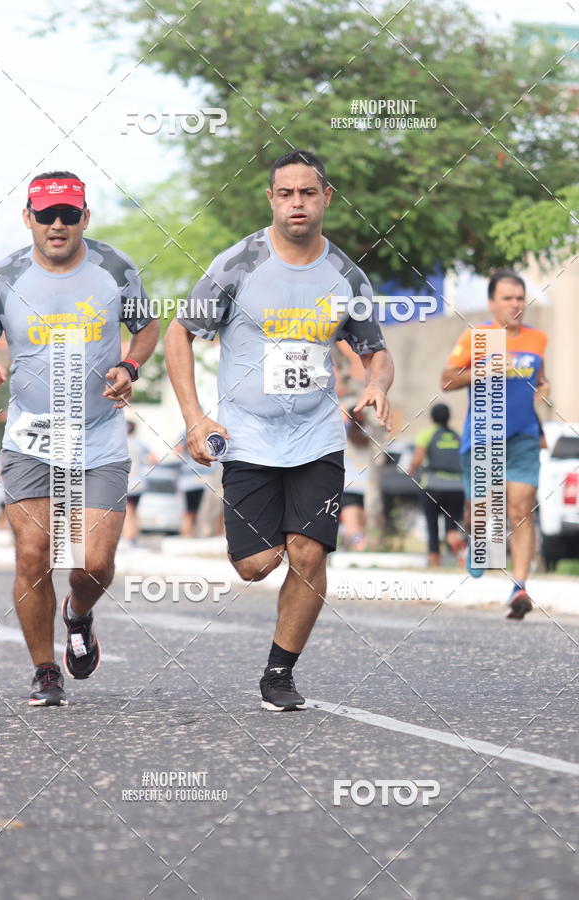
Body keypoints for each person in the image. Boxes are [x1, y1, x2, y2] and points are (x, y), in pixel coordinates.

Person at [165, 149, 394, 711]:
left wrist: (376, 383)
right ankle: (267, 571)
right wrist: (195, 417)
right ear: (271, 198)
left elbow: (375, 349)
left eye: (308, 193)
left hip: (317, 437)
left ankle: (279, 673)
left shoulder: (346, 275)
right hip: (247, 436)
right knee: (256, 565)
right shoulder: (238, 264)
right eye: (286, 193)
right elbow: (179, 332)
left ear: (326, 198)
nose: (297, 203)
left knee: (309, 554)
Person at [0, 171, 158, 705]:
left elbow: (146, 327)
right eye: (46, 215)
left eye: (68, 214)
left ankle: (78, 614)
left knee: (92, 563)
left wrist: (130, 365)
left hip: (98, 436)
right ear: (28, 217)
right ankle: (44, 670)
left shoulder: (115, 268)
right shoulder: (2, 277)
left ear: (85, 217)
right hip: (31, 437)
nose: (57, 225)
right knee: (34, 556)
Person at [441, 270, 548, 619]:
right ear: (491, 303)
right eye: (507, 298)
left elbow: (539, 379)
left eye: (520, 298)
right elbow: (446, 381)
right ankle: (475, 538)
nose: (515, 304)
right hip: (482, 437)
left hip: (523, 437)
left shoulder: (537, 339)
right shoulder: (476, 337)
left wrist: (543, 391)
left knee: (521, 510)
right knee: (481, 513)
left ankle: (520, 587)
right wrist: (483, 371)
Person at [407, 403, 465, 567]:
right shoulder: (457, 436)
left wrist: (410, 471)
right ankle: (459, 556)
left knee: (432, 525)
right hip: (456, 487)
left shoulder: (427, 434)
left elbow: (418, 459)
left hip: (433, 487)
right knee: (452, 527)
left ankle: (435, 562)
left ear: (432, 417)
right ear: (449, 417)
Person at [341, 406, 371, 551]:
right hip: (360, 488)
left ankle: (357, 548)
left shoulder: (343, 434)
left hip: (348, 487)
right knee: (357, 527)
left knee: (353, 528)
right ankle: (357, 547)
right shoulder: (367, 435)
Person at [123, 421, 154, 544]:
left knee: (127, 512)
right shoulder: (140, 444)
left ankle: (129, 539)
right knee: (134, 511)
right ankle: (134, 538)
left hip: (126, 483)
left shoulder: (119, 444)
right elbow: (154, 458)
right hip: (139, 483)